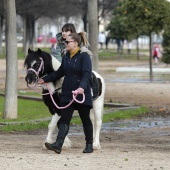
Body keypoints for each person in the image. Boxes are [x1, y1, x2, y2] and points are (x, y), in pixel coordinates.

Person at [38, 32, 93, 154]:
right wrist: (44, 79)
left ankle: (89, 144)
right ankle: (58, 144)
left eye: (67, 42)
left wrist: (82, 88)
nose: (65, 44)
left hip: (81, 93)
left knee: (85, 119)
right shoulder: (66, 56)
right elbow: (59, 73)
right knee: (64, 119)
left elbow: (86, 74)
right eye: (65, 42)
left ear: (76, 43)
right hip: (68, 93)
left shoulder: (84, 56)